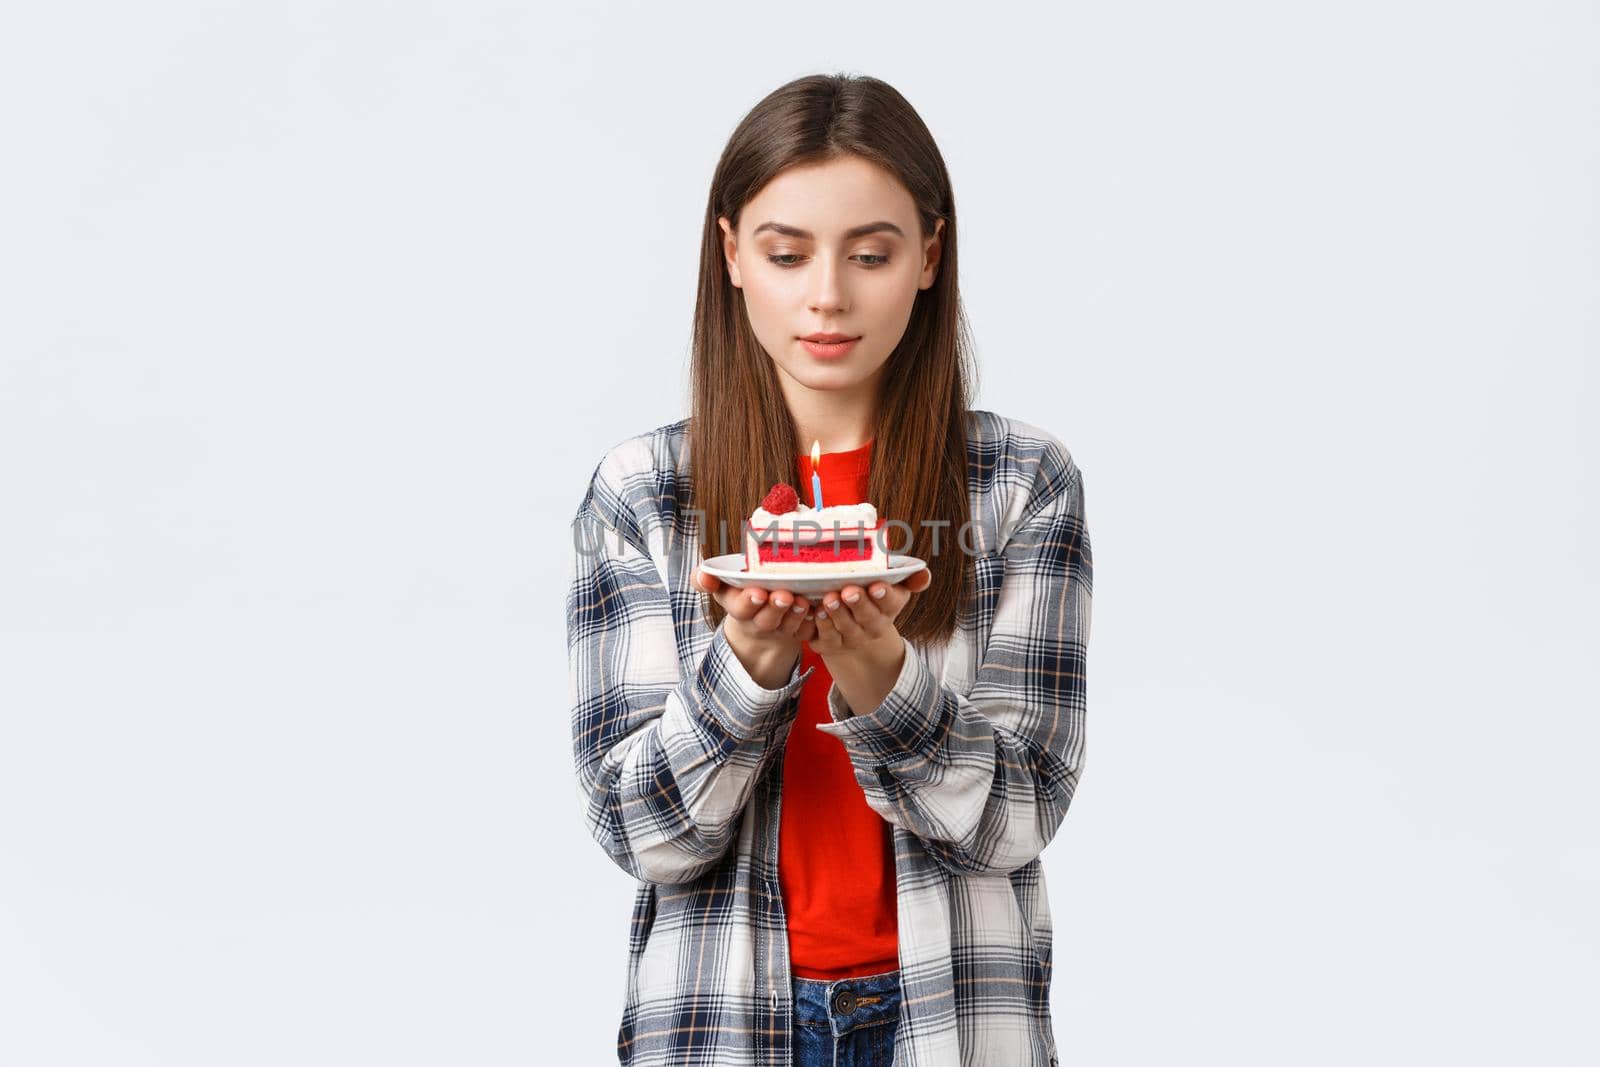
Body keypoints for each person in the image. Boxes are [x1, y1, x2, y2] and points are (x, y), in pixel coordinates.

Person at [566, 72, 1092, 1067]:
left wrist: (883, 680)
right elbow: (639, 829)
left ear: (928, 256)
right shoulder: (643, 494)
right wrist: (748, 667)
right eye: (785, 252)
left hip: (955, 1017)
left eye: (870, 254)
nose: (827, 295)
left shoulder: (1021, 486)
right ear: (730, 254)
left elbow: (1018, 815)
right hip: (718, 1017)